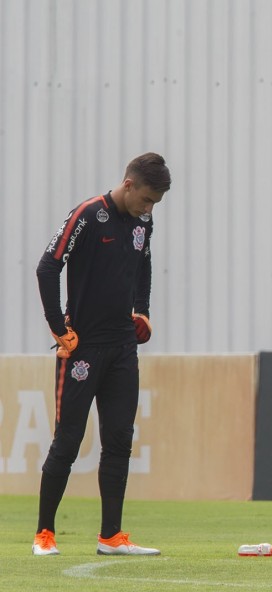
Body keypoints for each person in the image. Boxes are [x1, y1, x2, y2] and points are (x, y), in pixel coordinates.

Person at [32, 153, 171, 557]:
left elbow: (144, 265)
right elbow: (46, 267)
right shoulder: (88, 215)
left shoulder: (143, 220)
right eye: (146, 200)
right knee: (68, 443)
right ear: (128, 185)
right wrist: (60, 329)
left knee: (118, 441)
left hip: (123, 349)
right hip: (83, 349)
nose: (149, 209)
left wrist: (142, 311)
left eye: (155, 204)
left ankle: (111, 536)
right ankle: (44, 534)